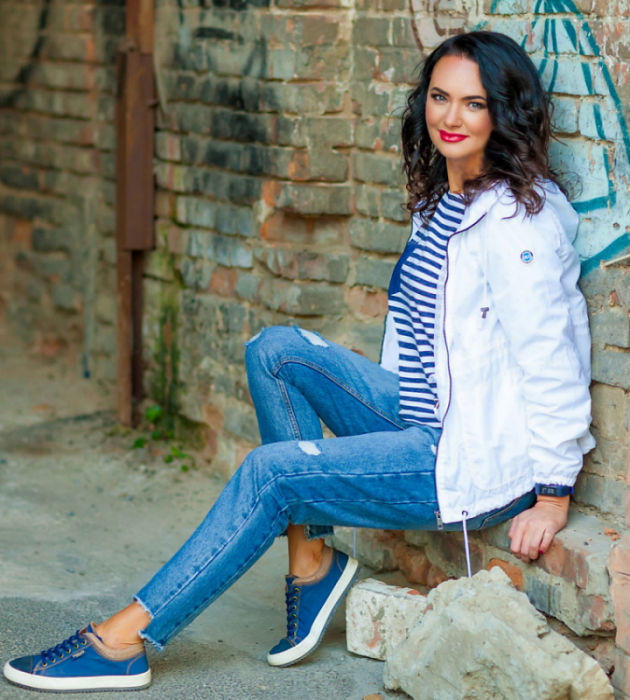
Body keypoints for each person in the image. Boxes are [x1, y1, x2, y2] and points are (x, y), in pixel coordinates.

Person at [3, 30, 594, 693]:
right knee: (276, 352)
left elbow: (554, 357)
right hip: (427, 418)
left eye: (473, 104)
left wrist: (553, 493)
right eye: (439, 97)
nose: (450, 117)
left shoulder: (516, 226)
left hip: (467, 461)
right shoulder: (446, 200)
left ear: (504, 114)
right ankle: (312, 564)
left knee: (273, 472)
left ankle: (125, 641)